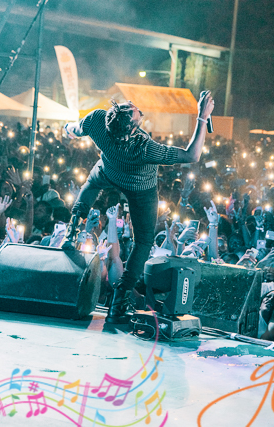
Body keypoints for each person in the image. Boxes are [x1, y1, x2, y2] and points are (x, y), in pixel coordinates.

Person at [63, 92, 215, 323]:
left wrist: (68, 128)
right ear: (132, 129)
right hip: (140, 187)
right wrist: (202, 117)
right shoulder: (144, 147)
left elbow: (75, 129)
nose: (132, 104)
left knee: (91, 184)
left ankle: (72, 231)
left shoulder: (97, 120)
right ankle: (120, 299)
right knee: (143, 241)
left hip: (109, 171)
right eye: (133, 111)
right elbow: (192, 155)